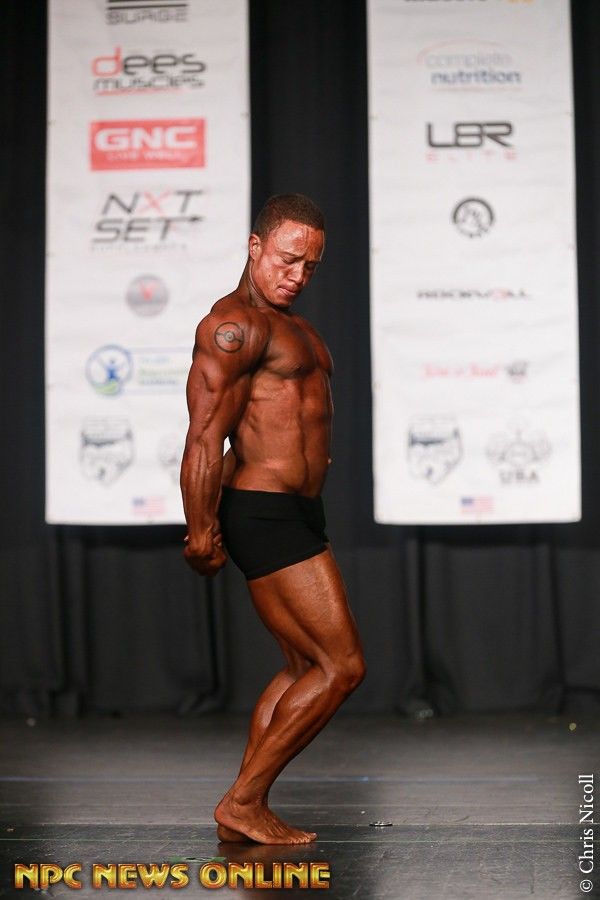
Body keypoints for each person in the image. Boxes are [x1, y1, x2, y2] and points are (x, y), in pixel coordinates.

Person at [180, 193, 366, 845]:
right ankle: (244, 801)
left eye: (310, 265)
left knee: (302, 667)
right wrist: (201, 528)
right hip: (265, 511)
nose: (297, 274)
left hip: (298, 511)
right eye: (287, 259)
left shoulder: (296, 328)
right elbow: (205, 436)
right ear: (255, 246)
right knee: (341, 666)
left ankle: (243, 806)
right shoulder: (231, 326)